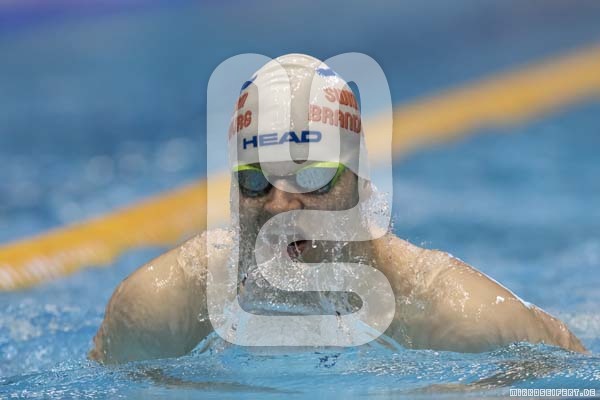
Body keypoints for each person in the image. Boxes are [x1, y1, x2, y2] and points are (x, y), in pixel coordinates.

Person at [89, 54, 585, 364]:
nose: (280, 204)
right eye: (256, 179)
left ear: (359, 181)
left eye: (310, 175)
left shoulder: (458, 322)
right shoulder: (160, 313)